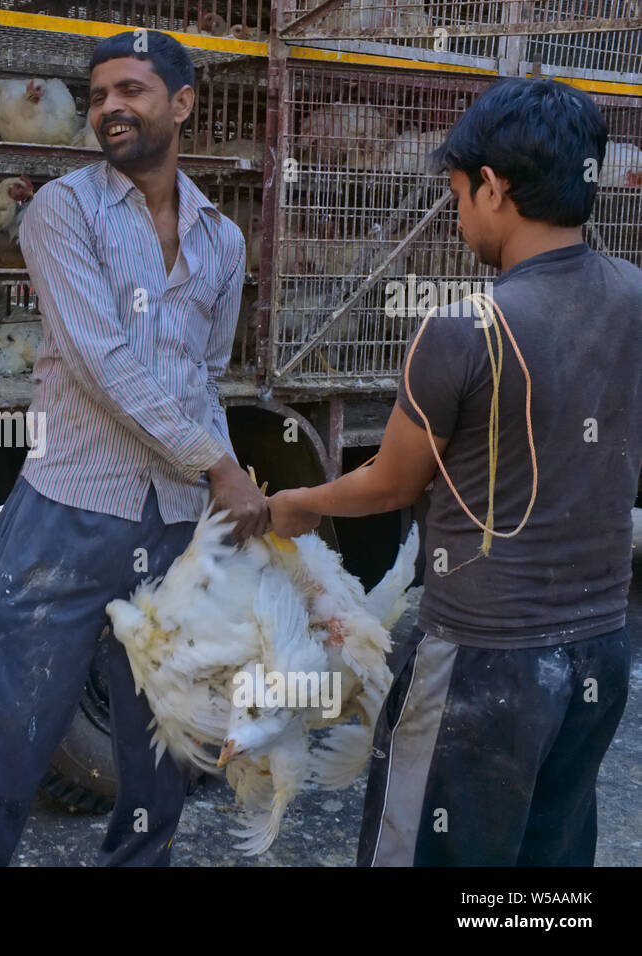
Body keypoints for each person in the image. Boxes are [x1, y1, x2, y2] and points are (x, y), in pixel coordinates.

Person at [268, 77, 641, 866]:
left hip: (484, 660)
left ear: (495, 189)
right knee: (549, 858)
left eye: (460, 195)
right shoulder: (635, 295)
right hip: (601, 647)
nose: (460, 214)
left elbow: (391, 483)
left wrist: (297, 503)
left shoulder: (465, 327)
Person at [0, 29, 264, 866]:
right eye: (101, 92)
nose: (111, 106)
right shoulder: (62, 210)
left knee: (164, 740)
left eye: (133, 90)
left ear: (182, 104)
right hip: (69, 510)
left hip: (174, 522)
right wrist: (217, 464)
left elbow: (205, 372)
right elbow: (99, 358)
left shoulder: (222, 239)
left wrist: (218, 499)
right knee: (8, 725)